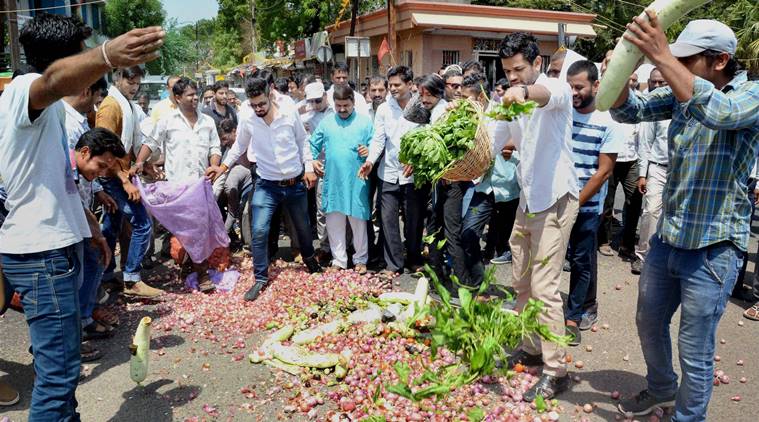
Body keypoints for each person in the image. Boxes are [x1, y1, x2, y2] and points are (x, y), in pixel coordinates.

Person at [0, 13, 164, 420]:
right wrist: (107, 55)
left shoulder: (55, 112)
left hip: (54, 248)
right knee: (56, 380)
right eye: (80, 57)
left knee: (63, 371)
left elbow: (62, 180)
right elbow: (53, 80)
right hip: (42, 254)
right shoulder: (25, 90)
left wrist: (90, 228)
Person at [610, 17, 759, 419]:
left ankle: (688, 417)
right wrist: (623, 65)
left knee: (695, 348)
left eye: (686, 59)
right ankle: (661, 389)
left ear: (720, 60)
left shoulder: (752, 94)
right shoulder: (678, 92)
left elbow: (721, 113)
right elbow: (628, 110)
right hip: (669, 238)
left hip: (713, 249)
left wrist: (660, 53)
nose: (671, 66)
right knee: (648, 321)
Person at [496, 32, 578, 401]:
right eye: (507, 71)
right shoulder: (506, 99)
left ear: (537, 65)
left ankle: (556, 369)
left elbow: (546, 96)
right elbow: (491, 137)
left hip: (556, 200)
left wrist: (524, 93)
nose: (512, 77)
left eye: (519, 70)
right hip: (527, 200)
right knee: (521, 282)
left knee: (545, 289)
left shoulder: (554, 91)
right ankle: (530, 348)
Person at [219, 76, 322, 301]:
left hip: (294, 183)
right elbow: (239, 145)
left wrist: (308, 168)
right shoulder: (248, 118)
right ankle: (260, 277)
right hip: (266, 185)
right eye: (254, 105)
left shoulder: (288, 112)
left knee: (303, 227)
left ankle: (310, 259)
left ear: (270, 94)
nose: (258, 109)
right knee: (259, 230)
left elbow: (302, 141)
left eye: (262, 104)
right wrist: (223, 166)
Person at [136, 77, 223, 293]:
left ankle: (200, 273)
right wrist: (139, 162)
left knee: (199, 230)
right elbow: (151, 142)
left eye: (196, 94)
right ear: (177, 98)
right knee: (185, 232)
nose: (195, 98)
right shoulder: (167, 121)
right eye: (190, 95)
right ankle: (193, 268)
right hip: (177, 187)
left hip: (200, 186)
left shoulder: (207, 122)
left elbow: (215, 148)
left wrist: (213, 165)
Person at [563, 60, 624, 345]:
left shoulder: (608, 122)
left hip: (586, 207)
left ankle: (574, 317)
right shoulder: (562, 114)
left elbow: (603, 172)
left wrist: (575, 202)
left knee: (580, 260)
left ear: (596, 86)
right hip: (557, 202)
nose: (573, 92)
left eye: (579, 87)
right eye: (570, 86)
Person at [96, 66, 164, 298]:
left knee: (112, 226)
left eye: (137, 83)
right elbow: (102, 149)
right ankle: (132, 279)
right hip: (111, 177)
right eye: (130, 82)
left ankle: (105, 277)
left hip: (121, 173)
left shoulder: (129, 105)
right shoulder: (111, 106)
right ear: (118, 78)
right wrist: (124, 180)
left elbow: (135, 142)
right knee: (143, 224)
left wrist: (144, 164)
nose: (134, 88)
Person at [360, 66, 429, 277]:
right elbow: (379, 139)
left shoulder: (423, 106)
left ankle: (414, 259)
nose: (392, 89)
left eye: (397, 85)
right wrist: (371, 161)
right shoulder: (384, 109)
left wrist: (418, 161)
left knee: (414, 220)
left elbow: (429, 136)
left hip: (413, 175)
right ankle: (393, 265)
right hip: (387, 173)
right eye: (391, 85)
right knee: (387, 219)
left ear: (410, 85)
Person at [460, 74, 520, 287]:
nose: (464, 103)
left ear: (481, 98)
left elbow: (521, 135)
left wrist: (509, 145)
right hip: (484, 188)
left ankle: (521, 295)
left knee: (516, 245)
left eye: (468, 98)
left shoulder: (501, 114)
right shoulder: (464, 120)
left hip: (510, 187)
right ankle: (477, 282)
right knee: (468, 232)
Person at [310, 84, 374, 273]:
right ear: (333, 104)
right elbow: (312, 144)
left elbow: (375, 145)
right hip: (334, 181)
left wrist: (368, 152)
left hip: (357, 180)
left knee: (358, 221)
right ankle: (339, 260)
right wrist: (313, 161)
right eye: (338, 106)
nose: (342, 109)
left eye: (346, 105)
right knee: (334, 221)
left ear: (353, 102)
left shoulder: (365, 122)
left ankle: (361, 259)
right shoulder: (327, 122)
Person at [597, 75, 642, 259]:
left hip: (632, 159)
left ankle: (627, 243)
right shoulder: (605, 99)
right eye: (626, 78)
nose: (628, 82)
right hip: (610, 157)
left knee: (634, 201)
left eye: (632, 79)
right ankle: (604, 241)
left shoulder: (640, 102)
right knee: (607, 202)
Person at [630, 68, 670, 275]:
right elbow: (645, 144)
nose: (657, 86)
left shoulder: (677, 104)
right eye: (653, 82)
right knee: (651, 211)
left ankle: (665, 258)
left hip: (680, 172)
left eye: (662, 82)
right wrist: (642, 174)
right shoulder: (654, 110)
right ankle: (642, 256)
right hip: (657, 168)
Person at [302, 82, 335, 262]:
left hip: (338, 165)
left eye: (317, 100)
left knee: (339, 208)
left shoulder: (337, 110)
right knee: (322, 208)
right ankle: (324, 246)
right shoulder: (308, 117)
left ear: (324, 95)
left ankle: (346, 245)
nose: (315, 104)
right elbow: (305, 141)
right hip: (320, 166)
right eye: (311, 101)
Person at [216, 119, 253, 245]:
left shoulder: (246, 141)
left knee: (246, 212)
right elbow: (223, 171)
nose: (223, 143)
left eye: (225, 139)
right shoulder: (227, 150)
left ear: (234, 131)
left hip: (253, 178)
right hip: (236, 185)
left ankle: (248, 244)